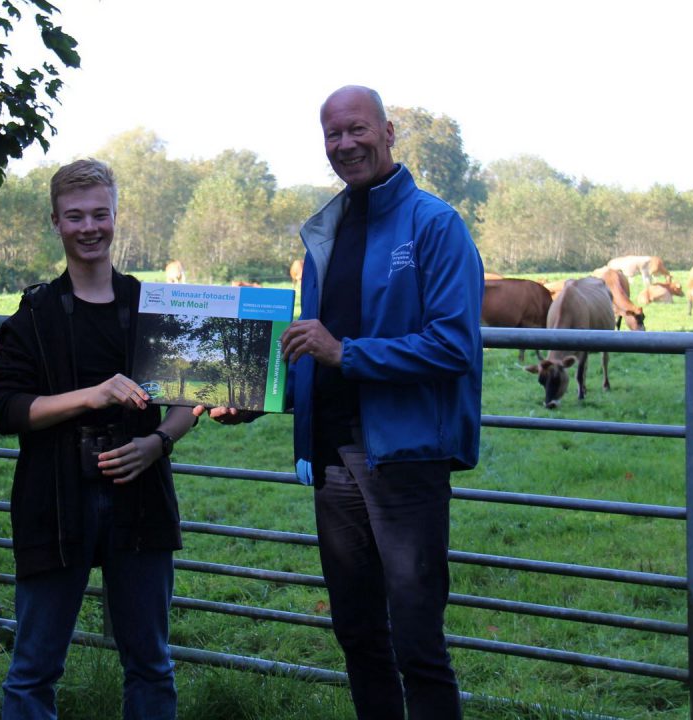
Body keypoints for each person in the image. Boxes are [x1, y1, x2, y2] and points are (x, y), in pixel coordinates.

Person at [211, 85, 484, 719]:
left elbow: (454, 346)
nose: (345, 144)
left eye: (357, 130)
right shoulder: (326, 231)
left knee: (417, 639)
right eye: (333, 135)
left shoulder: (434, 224)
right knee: (358, 634)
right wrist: (258, 398)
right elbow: (316, 344)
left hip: (405, 458)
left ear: (389, 133)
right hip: (333, 460)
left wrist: (347, 354)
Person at [0, 158, 197, 720]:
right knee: (33, 669)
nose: (88, 227)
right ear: (55, 222)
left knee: (151, 662)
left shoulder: (153, 306)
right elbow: (7, 409)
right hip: (54, 501)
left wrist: (158, 443)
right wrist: (92, 395)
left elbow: (188, 398)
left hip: (142, 496)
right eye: (74, 216)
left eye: (99, 214)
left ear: (115, 217)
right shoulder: (33, 314)